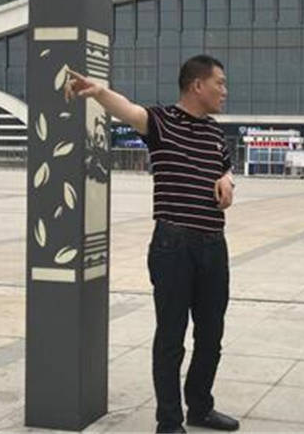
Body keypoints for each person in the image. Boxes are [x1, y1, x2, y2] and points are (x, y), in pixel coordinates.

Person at [65, 56, 239, 434]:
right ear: (197, 85)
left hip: (214, 245)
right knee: (171, 337)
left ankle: (200, 407)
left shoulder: (214, 131)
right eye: (220, 83)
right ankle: (169, 421)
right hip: (174, 246)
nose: (225, 91)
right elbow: (128, 110)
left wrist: (228, 180)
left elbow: (225, 167)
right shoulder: (161, 121)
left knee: (211, 335)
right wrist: (98, 91)